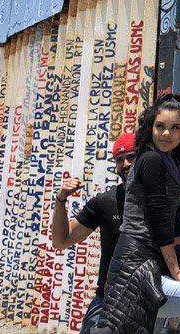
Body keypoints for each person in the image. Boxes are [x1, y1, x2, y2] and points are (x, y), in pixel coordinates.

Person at [96, 94, 180, 333]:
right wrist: (177, 271)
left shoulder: (164, 161)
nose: (166, 134)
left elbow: (169, 205)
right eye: (160, 126)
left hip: (145, 265)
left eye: (174, 128)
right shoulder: (151, 159)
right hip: (137, 268)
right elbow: (159, 218)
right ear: (150, 127)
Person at [52, 133, 136, 334]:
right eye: (119, 159)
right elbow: (61, 241)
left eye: (132, 157)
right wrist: (61, 199)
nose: (125, 164)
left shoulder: (158, 198)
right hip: (109, 297)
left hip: (149, 297)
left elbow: (178, 206)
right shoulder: (105, 202)